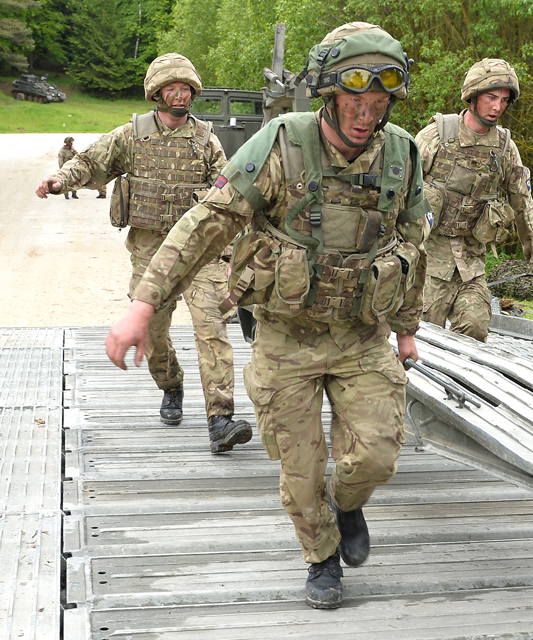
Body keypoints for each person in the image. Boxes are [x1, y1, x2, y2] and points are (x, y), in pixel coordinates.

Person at [103, 22, 429, 610]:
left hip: (362, 337)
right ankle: (321, 557)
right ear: (331, 92)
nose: (367, 112)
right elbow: (206, 223)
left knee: (377, 455)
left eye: (380, 100)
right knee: (300, 472)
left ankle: (349, 503)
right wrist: (143, 304)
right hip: (287, 338)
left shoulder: (402, 154)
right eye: (356, 97)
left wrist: (407, 330)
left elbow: (412, 243)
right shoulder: (282, 144)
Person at [35, 54, 253, 453]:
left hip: (202, 252)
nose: (181, 94)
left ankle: (220, 417)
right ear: (157, 93)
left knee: (211, 327)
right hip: (151, 252)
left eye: (186, 88)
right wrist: (59, 179)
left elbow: (228, 191)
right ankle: (171, 384)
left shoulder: (207, 140)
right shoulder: (131, 135)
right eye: (172, 87)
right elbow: (89, 162)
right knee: (153, 334)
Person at [416, 58, 533, 342]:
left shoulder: (504, 149)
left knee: (475, 331)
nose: (497, 107)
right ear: (472, 97)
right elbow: (399, 196)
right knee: (422, 342)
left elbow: (523, 204)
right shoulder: (435, 137)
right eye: (490, 98)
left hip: (471, 266)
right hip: (426, 264)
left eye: (503, 100)